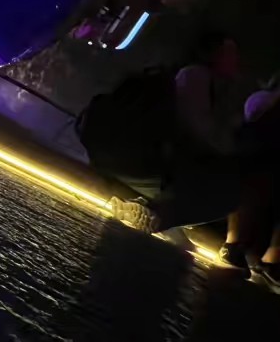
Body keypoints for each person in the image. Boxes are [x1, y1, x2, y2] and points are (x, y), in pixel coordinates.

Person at [104, 33, 244, 234]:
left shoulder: (206, 82)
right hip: (154, 156)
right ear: (214, 54)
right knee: (229, 195)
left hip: (151, 155)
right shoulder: (196, 76)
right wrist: (229, 137)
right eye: (230, 53)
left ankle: (141, 205)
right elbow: (198, 129)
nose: (236, 60)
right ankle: (159, 215)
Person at [219, 71, 280, 289]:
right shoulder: (265, 102)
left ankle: (235, 247)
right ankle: (271, 262)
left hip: (247, 166)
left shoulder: (261, 100)